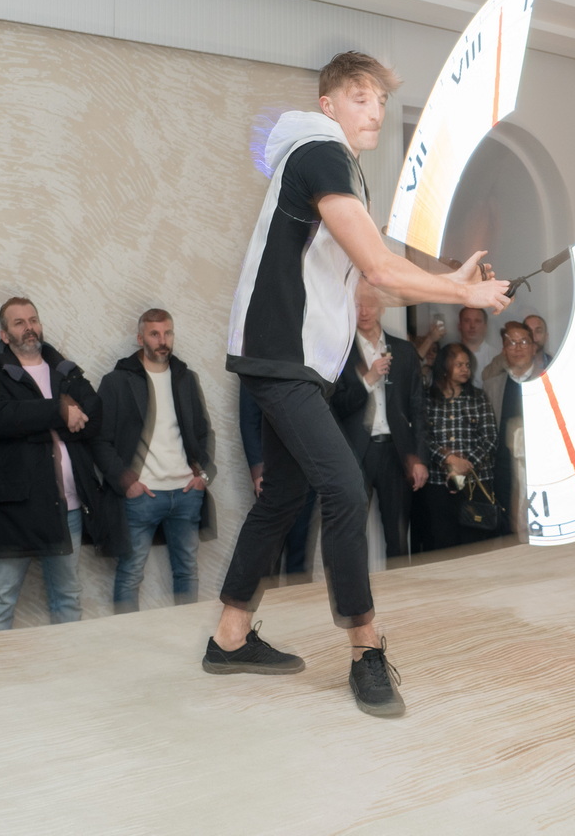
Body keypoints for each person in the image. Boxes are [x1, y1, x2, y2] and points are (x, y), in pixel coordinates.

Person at [214, 51, 510, 719]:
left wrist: (450, 283)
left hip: (291, 360)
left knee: (282, 496)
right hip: (282, 356)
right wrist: (462, 291)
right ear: (328, 106)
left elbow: (372, 274)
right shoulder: (322, 153)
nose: (374, 110)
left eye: (379, 99)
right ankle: (365, 651)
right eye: (359, 97)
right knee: (345, 489)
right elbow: (378, 268)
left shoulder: (331, 166)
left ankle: (229, 636)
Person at [0, 298, 104, 630]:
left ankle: (67, 662)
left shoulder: (66, 372)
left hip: (66, 508)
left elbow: (95, 415)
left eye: (33, 320)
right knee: (0, 600)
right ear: (4, 335)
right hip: (12, 510)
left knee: (68, 597)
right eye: (19, 322)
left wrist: (36, 424)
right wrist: (58, 411)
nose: (29, 327)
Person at [94, 309, 212, 613]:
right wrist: (126, 482)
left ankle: (186, 634)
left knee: (187, 571)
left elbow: (203, 432)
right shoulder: (117, 382)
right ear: (140, 338)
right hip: (141, 496)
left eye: (168, 333)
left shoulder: (185, 378)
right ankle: (126, 638)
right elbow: (99, 440)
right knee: (131, 574)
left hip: (186, 493)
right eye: (154, 334)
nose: (163, 341)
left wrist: (203, 477)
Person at [332, 282, 428, 562]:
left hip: (396, 452)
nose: (364, 311)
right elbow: (336, 406)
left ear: (383, 307)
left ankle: (401, 589)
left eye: (370, 304)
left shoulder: (404, 351)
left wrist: (419, 457)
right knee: (351, 532)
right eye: (358, 305)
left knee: (397, 536)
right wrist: (368, 380)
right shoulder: (341, 351)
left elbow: (418, 408)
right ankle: (355, 590)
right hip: (355, 452)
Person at [416, 343, 498, 553]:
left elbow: (489, 439)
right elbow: (423, 438)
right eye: (459, 364)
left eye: (468, 365)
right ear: (444, 367)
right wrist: (449, 460)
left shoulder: (478, 397)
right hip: (438, 483)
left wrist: (464, 465)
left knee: (475, 544)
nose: (465, 369)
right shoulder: (428, 399)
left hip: (475, 483)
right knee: (442, 542)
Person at [239, 383, 314, 579]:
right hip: (271, 475)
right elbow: (249, 420)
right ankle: (268, 599)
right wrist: (258, 473)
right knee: (268, 554)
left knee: (299, 552)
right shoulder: (255, 364)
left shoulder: (313, 366)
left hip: (306, 471)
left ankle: (299, 598)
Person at [481, 320, 539, 537]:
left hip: (539, 469)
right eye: (511, 343)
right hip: (503, 470)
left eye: (523, 342)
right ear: (504, 350)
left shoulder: (547, 381)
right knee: (507, 532)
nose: (518, 348)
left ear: (533, 348)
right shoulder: (492, 385)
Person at [458, 306, 496, 388]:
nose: (472, 326)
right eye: (467, 321)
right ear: (459, 325)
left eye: (477, 321)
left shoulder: (496, 355)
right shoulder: (450, 355)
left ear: (485, 327)